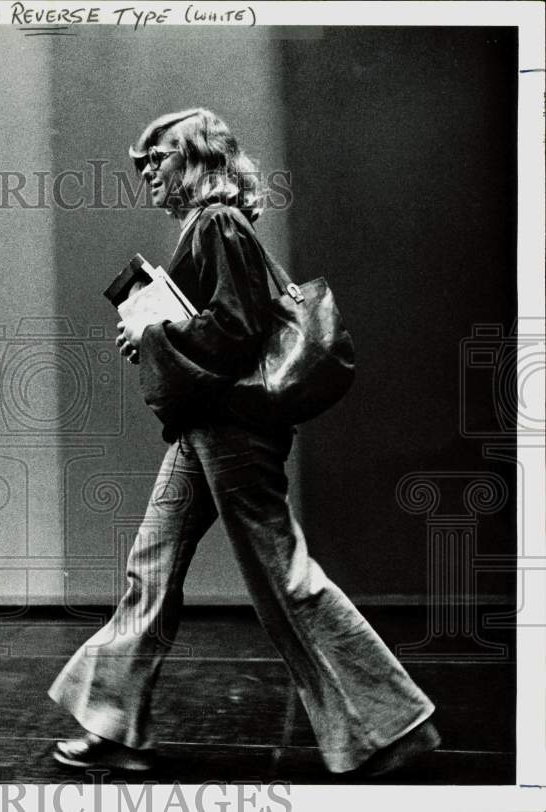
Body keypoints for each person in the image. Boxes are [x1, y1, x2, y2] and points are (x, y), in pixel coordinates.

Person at [47, 108, 440, 776]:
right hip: (206, 427)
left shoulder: (219, 223)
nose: (147, 173)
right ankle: (113, 729)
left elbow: (233, 332)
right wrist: (157, 335)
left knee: (281, 579)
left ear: (199, 159)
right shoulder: (211, 228)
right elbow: (221, 326)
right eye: (142, 164)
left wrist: (152, 337)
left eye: (160, 157)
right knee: (153, 568)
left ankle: (389, 727)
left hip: (233, 429)